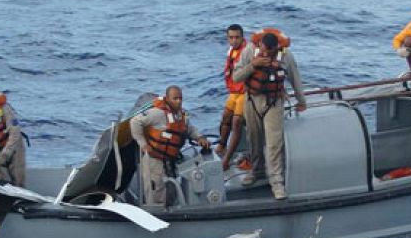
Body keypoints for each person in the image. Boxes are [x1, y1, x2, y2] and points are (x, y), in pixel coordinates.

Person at [233, 29, 306, 200]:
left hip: (274, 102)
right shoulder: (249, 51)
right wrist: (253, 65)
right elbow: (236, 77)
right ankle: (256, 171)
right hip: (252, 101)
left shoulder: (286, 56)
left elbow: (295, 78)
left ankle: (277, 182)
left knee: (274, 144)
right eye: (263, 50)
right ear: (259, 45)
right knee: (254, 138)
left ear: (276, 49)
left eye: (269, 52)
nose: (265, 54)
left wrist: (301, 101)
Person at [130, 86, 210, 206]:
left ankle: (170, 211)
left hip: (170, 159)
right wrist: (143, 144)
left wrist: (199, 137)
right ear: (167, 99)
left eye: (180, 98)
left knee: (171, 189)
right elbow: (135, 122)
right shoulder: (157, 114)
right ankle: (155, 213)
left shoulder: (181, 115)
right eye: (175, 98)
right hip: (154, 159)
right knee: (156, 190)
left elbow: (188, 129)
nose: (178, 101)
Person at [215, 24, 248, 171]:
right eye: (231, 37)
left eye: (237, 37)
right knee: (226, 117)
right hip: (234, 91)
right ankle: (221, 146)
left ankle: (227, 159)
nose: (234, 40)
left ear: (242, 37)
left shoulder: (247, 52)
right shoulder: (232, 51)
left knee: (236, 122)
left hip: (245, 92)